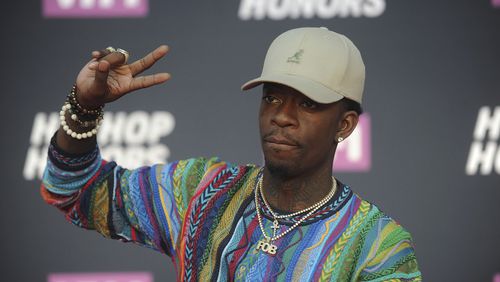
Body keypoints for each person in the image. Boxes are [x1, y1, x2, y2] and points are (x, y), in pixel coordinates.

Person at [41, 27, 422, 281]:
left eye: (307, 104)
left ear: (345, 125)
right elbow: (77, 192)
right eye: (272, 96)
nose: (282, 116)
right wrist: (84, 107)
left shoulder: (377, 247)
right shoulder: (200, 190)